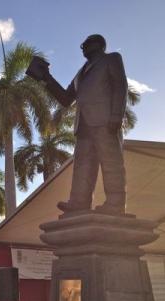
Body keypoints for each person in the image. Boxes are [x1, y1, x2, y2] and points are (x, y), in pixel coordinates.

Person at [27, 34, 128, 215]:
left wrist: (116, 115)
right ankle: (79, 203)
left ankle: (115, 203)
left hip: (105, 121)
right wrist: (45, 77)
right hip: (83, 125)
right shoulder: (80, 73)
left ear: (99, 44)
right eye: (83, 44)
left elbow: (121, 86)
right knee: (82, 166)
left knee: (111, 163)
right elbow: (65, 99)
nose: (83, 46)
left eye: (87, 43)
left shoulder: (111, 59)